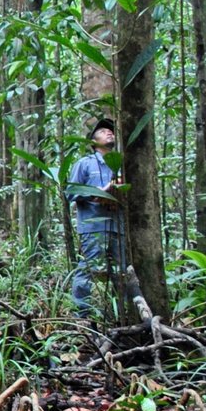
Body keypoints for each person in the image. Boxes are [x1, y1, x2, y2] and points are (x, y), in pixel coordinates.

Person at [67, 118, 127, 318]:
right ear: (93, 142)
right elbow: (71, 192)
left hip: (118, 227)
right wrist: (100, 193)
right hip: (93, 227)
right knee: (88, 271)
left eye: (111, 131)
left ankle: (121, 317)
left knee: (122, 273)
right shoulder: (84, 164)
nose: (109, 133)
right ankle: (81, 317)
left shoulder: (121, 165)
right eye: (103, 131)